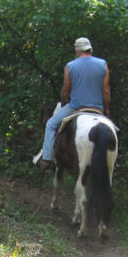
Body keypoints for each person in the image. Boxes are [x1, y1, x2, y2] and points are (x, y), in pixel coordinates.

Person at [34, 37, 110, 170]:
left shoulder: (70, 66)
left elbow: (65, 90)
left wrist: (64, 102)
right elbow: (105, 90)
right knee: (112, 129)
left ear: (77, 50)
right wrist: (106, 109)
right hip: (97, 108)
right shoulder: (103, 64)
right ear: (89, 49)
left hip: (76, 106)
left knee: (51, 124)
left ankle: (46, 158)